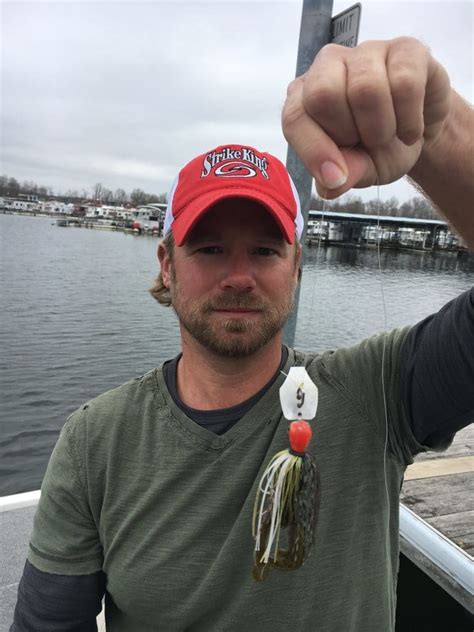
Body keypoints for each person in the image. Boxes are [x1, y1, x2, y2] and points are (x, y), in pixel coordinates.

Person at [11, 37, 473, 631]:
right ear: (166, 264)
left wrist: (434, 132)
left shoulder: (379, 392)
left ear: (297, 267)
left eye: (263, 249)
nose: (238, 277)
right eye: (208, 248)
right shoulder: (93, 443)